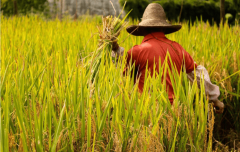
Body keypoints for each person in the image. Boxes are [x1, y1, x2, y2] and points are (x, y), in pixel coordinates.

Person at [112, 3, 224, 113]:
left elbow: (120, 68)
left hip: (145, 113)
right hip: (174, 112)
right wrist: (214, 99)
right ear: (164, 29)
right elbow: (198, 75)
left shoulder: (138, 51)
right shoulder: (178, 49)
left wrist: (114, 47)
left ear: (143, 29)